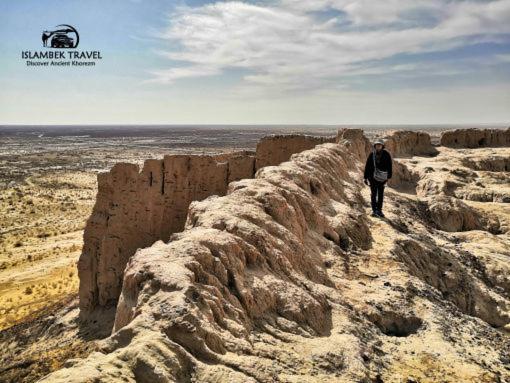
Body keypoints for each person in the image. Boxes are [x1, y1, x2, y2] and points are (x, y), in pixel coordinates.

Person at [363, 139, 392, 217]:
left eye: (380, 145)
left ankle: (379, 210)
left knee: (380, 194)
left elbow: (389, 166)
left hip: (382, 179)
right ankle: (374, 210)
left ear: (382, 146)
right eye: (377, 145)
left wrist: (388, 177)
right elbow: (367, 166)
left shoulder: (386, 154)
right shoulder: (372, 154)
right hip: (372, 178)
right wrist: (365, 177)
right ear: (375, 146)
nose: (378, 146)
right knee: (373, 194)